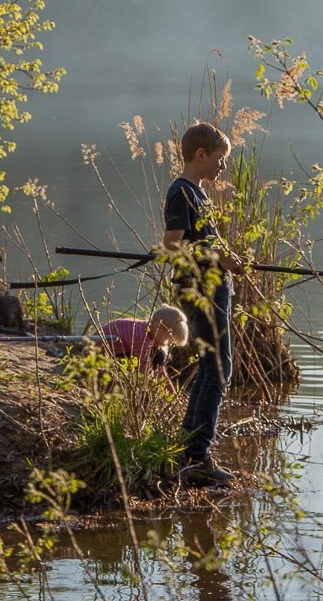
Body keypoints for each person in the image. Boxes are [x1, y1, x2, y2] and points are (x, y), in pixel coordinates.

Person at [163, 121, 245, 487]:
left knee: (213, 366)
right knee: (218, 367)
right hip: (201, 292)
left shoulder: (198, 193)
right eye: (220, 159)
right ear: (200, 156)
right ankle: (198, 456)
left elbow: (203, 243)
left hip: (213, 289)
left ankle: (189, 445)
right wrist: (217, 260)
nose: (222, 167)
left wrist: (229, 260)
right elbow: (172, 243)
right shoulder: (182, 192)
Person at [99, 304, 190, 372]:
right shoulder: (140, 336)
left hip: (120, 353)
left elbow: (161, 372)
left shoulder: (147, 331)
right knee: (157, 357)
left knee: (159, 355)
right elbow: (145, 369)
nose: (169, 343)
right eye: (170, 339)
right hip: (100, 355)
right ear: (160, 327)